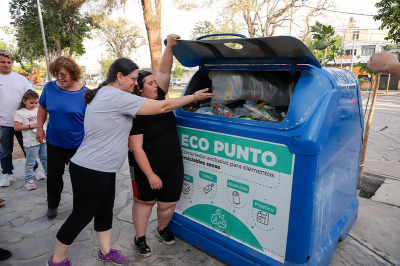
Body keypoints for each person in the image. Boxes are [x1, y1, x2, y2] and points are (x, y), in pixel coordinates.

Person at [46, 57, 214, 266]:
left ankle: (105, 251)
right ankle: (57, 259)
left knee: (105, 211)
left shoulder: (107, 93)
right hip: (91, 168)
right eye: (133, 79)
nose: (135, 83)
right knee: (81, 215)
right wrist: (194, 96)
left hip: (103, 168)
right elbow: (163, 107)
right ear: (119, 77)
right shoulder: (115, 97)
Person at [128, 34, 183, 257]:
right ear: (140, 89)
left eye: (154, 82)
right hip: (145, 166)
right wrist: (150, 175)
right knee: (144, 202)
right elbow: (136, 148)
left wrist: (169, 46)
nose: (156, 85)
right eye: (150, 83)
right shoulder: (134, 111)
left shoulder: (160, 98)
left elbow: (164, 72)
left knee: (168, 203)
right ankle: (139, 238)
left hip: (171, 163)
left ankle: (162, 228)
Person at [36, 56, 88, 219]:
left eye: (64, 74)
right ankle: (52, 205)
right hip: (55, 141)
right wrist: (39, 128)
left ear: (73, 74)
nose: (59, 78)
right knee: (54, 175)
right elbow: (42, 108)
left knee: (79, 177)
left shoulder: (86, 93)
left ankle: (82, 206)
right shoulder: (49, 88)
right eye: (56, 74)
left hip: (79, 142)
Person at [0, 50, 45, 187]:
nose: (6, 65)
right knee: (5, 151)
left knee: (29, 147)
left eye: (9, 62)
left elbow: (32, 95)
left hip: (24, 123)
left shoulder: (21, 79)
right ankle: (7, 174)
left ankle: (35, 169)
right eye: (3, 62)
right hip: (3, 122)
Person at [14, 90, 47, 191]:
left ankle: (50, 176)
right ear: (24, 101)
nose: (34, 105)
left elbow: (44, 122)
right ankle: (28, 180)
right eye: (31, 103)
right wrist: (30, 126)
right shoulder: (19, 113)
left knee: (45, 159)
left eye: (36, 103)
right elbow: (16, 127)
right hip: (30, 142)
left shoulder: (39, 110)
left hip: (42, 140)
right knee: (30, 162)